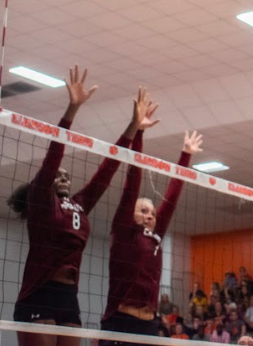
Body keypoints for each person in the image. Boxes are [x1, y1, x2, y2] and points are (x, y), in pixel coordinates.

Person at [8, 67, 136, 346]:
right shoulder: (42, 201)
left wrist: (133, 127)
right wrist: (72, 109)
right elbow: (53, 155)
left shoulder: (78, 204)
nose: (64, 176)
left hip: (68, 298)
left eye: (67, 174)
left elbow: (107, 169)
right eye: (59, 174)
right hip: (39, 293)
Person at [100, 114, 202, 345]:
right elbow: (132, 181)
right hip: (120, 321)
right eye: (143, 211)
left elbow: (173, 196)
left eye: (152, 213)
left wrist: (186, 155)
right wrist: (139, 133)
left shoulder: (156, 236)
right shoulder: (123, 231)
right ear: (131, 214)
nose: (149, 216)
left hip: (148, 325)